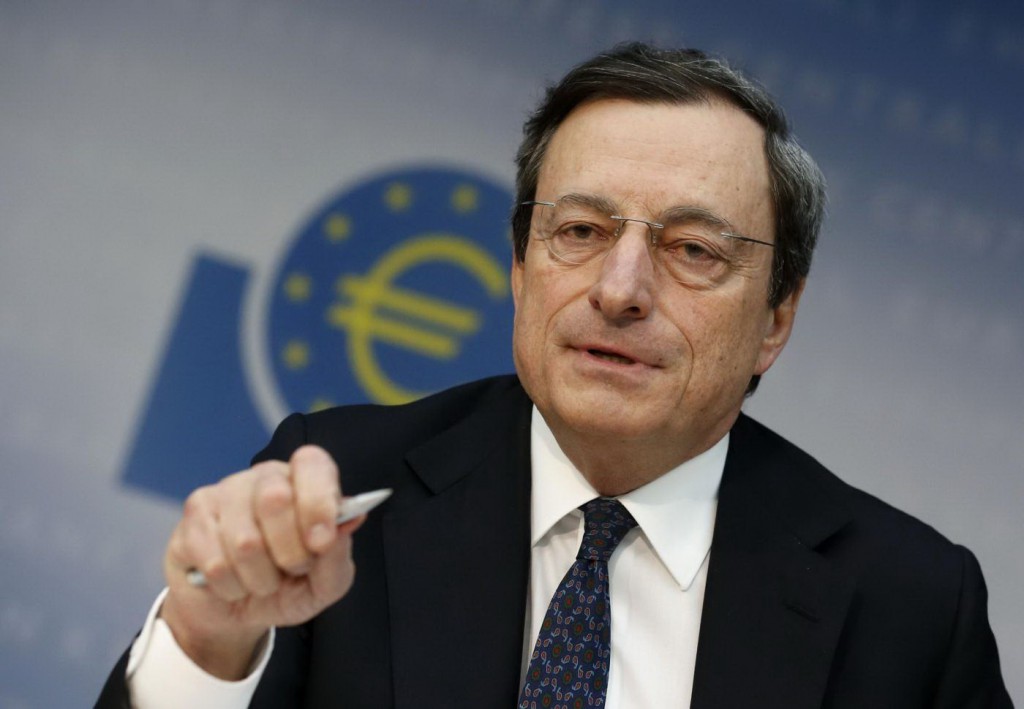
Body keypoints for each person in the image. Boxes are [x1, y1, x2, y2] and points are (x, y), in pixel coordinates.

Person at [97, 43, 1012, 708]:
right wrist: (208, 645)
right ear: (520, 268)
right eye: (579, 231)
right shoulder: (335, 493)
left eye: (693, 250)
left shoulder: (911, 605)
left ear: (776, 317)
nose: (619, 290)